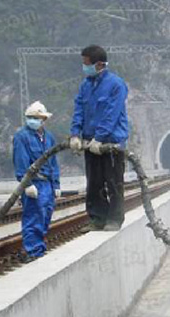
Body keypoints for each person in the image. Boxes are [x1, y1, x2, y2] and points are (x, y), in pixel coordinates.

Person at [69, 45, 130, 232]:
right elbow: (79, 109)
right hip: (90, 142)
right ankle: (97, 218)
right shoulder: (86, 85)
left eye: (87, 63)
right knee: (94, 181)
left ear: (100, 64)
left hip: (111, 142)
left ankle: (114, 219)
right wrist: (75, 134)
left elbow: (112, 114)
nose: (84, 67)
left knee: (113, 181)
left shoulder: (116, 85)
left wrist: (100, 137)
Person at [13, 100, 61, 261]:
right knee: (33, 217)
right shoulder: (21, 137)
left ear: (43, 120)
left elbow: (53, 162)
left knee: (45, 215)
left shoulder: (49, 138)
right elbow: (21, 161)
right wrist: (27, 184)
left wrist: (56, 184)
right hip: (34, 183)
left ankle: (38, 248)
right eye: (30, 117)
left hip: (47, 183)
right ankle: (33, 251)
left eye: (36, 117)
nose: (32, 120)